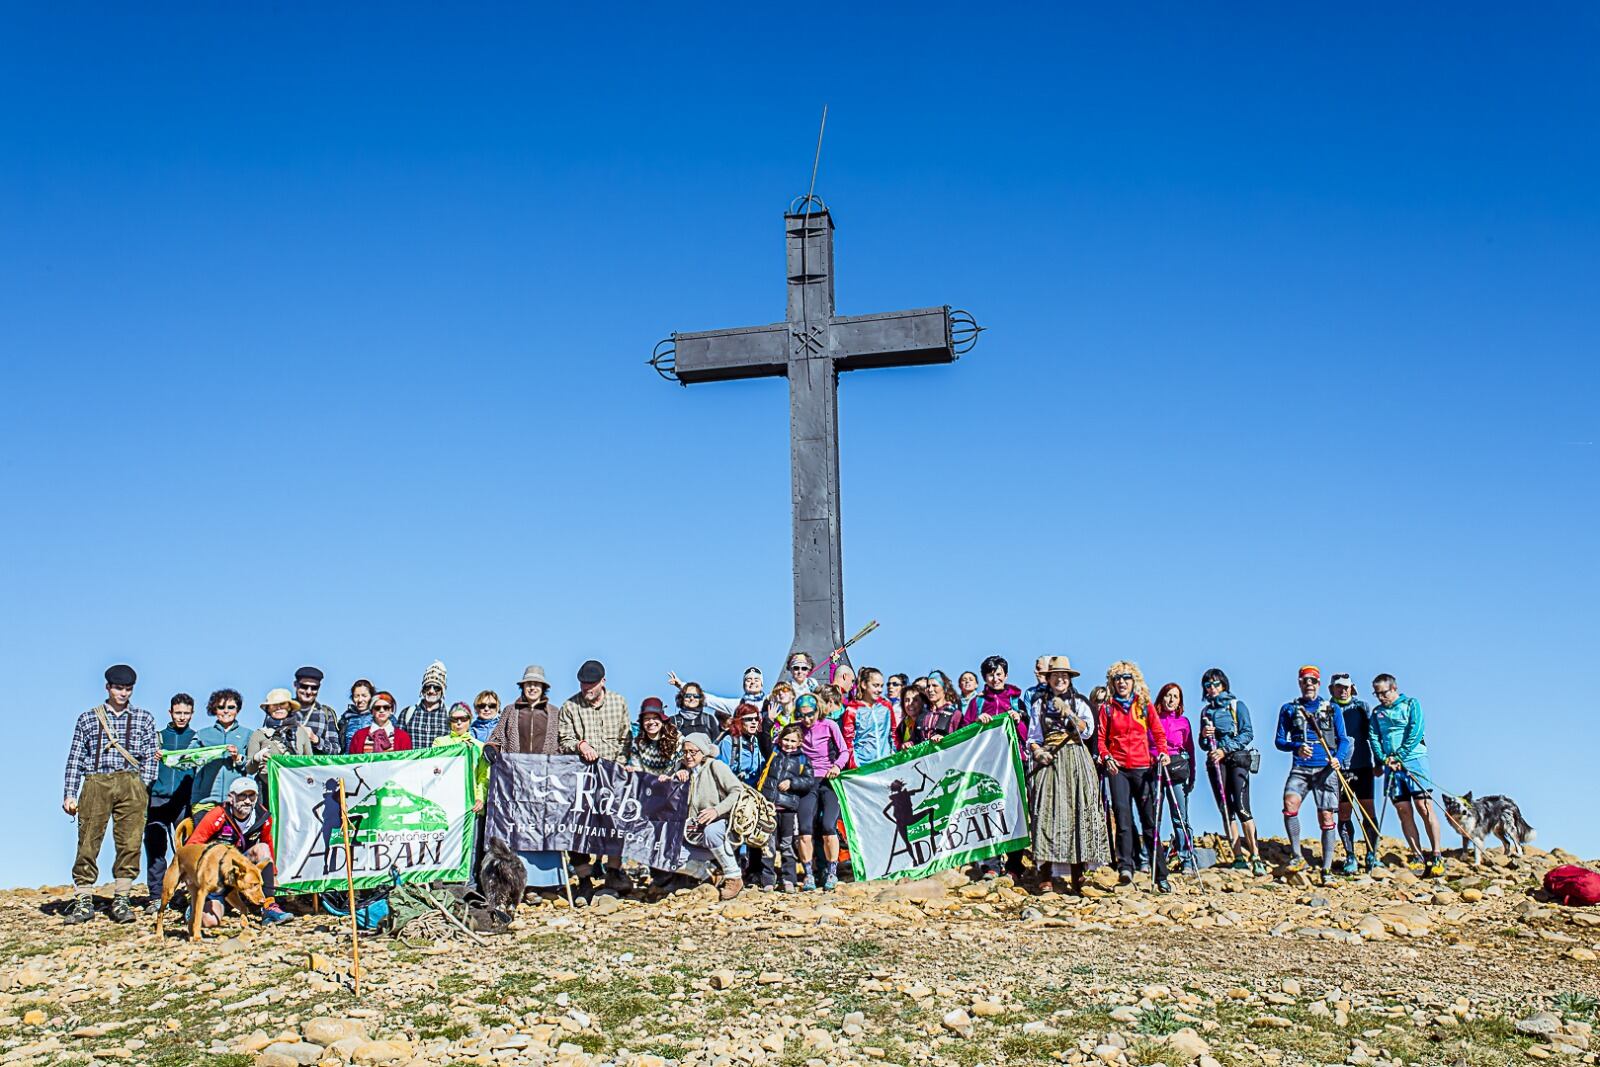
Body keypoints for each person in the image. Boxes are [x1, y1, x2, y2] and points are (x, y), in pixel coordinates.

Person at [62, 664, 160, 924]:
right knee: (88, 840)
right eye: (118, 688)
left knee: (130, 841)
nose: (123, 693)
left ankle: (122, 898)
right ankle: (83, 898)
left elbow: (151, 754)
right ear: (108, 687)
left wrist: (144, 784)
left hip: (131, 781)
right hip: (96, 780)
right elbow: (75, 757)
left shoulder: (144, 717)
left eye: (128, 689)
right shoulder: (88, 718)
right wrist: (70, 793)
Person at [1026, 656, 1108, 894]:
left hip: (1075, 758)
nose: (1060, 679)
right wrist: (1039, 752)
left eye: (1064, 676)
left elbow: (1087, 730)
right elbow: (1033, 737)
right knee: (1047, 813)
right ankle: (1045, 874)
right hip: (1050, 759)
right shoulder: (1039, 704)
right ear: (1049, 679)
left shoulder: (1080, 702)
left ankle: (1078, 874)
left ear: (1069, 679)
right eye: (1055, 675)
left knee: (1077, 812)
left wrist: (1071, 715)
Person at [558, 660, 633, 893]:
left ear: (603, 682)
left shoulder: (619, 702)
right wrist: (580, 744)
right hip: (581, 778)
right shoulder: (570, 706)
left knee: (615, 824)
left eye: (591, 685)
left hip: (613, 775)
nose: (586, 689)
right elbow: (564, 740)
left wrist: (619, 768)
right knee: (578, 827)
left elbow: (625, 739)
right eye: (583, 685)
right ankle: (584, 879)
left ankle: (613, 871)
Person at [1096, 661, 1171, 891]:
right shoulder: (1107, 708)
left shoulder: (1144, 706)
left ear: (1134, 681)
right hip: (1118, 768)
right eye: (1117, 678)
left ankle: (1160, 874)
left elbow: (1158, 734)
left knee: (1149, 822)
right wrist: (1106, 756)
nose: (1122, 682)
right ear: (1112, 682)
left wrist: (1163, 753)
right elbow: (1101, 738)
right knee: (1124, 819)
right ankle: (1126, 867)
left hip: (1142, 768)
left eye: (1126, 678)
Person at [1275, 665, 1351, 883]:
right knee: (1290, 805)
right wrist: (1296, 746)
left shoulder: (1331, 709)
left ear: (1319, 684)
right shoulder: (1289, 709)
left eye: (1313, 681)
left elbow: (1343, 739)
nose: (1309, 684)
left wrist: (1339, 757)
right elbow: (1279, 740)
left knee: (1326, 816)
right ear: (1299, 683)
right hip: (1301, 767)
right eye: (1305, 681)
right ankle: (1297, 855)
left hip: (1326, 769)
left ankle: (1326, 869)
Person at [1368, 674, 1446, 877]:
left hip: (1414, 760)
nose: (1380, 697)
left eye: (1383, 693)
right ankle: (1417, 855)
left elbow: (1416, 730)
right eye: (1376, 694)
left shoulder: (1411, 704)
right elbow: (1374, 737)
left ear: (1394, 688)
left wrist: (1400, 755)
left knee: (1423, 805)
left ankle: (1437, 853)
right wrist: (1383, 759)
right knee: (1403, 809)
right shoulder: (1377, 713)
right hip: (1391, 766)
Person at [188, 776, 292, 924]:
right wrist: (193, 876)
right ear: (231, 797)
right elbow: (193, 845)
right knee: (209, 922)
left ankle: (269, 907)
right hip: (216, 874)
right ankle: (194, 906)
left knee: (262, 848)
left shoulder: (263, 816)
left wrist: (273, 873)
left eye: (252, 796)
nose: (247, 801)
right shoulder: (217, 815)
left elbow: (267, 842)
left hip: (240, 864)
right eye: (242, 795)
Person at [1197, 668, 1265, 874]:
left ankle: (1256, 855)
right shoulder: (1206, 712)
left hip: (1236, 760)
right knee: (1226, 810)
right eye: (1208, 685)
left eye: (1216, 684)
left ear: (1224, 685)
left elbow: (1247, 733)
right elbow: (1202, 744)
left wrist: (1224, 749)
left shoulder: (1237, 706)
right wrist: (1203, 735)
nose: (1212, 688)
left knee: (1243, 808)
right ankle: (1238, 857)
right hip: (1216, 764)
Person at [145, 693, 196, 913]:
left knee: (186, 850)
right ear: (170, 712)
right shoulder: (157, 738)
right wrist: (151, 757)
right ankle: (156, 896)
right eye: (178, 713)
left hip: (184, 802)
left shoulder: (197, 738)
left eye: (186, 713)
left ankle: (188, 895)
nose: (182, 717)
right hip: (157, 799)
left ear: (192, 714)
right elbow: (140, 763)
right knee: (156, 848)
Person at [680, 733, 747, 899]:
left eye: (693, 752)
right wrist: (675, 777)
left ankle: (734, 877)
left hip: (724, 830)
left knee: (712, 831)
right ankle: (707, 875)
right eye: (685, 751)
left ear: (703, 752)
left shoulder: (715, 766)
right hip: (695, 834)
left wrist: (716, 810)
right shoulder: (682, 770)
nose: (688, 756)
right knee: (668, 854)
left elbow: (737, 791)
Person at [796, 691, 849, 890]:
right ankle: (809, 873)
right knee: (805, 829)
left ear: (818, 710)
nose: (807, 719)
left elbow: (844, 751)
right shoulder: (798, 729)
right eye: (802, 715)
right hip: (807, 781)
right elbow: (782, 746)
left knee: (828, 826)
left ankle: (832, 871)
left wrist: (837, 766)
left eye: (810, 714)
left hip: (828, 780)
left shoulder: (830, 725)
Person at [1327, 673, 1378, 873]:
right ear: (1332, 689)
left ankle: (1372, 853)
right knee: (1345, 811)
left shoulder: (1362, 707)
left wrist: (1379, 760)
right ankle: (1350, 855)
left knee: (1368, 809)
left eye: (1346, 687)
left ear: (1352, 687)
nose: (1343, 690)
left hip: (1363, 763)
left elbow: (1372, 734)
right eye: (1339, 687)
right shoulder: (1327, 709)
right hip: (1340, 768)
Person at [757, 722, 815, 892]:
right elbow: (764, 739)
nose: (788, 744)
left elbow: (809, 781)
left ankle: (789, 879)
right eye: (785, 739)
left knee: (787, 845)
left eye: (792, 741)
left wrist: (792, 782)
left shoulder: (803, 759)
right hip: (768, 807)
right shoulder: (773, 753)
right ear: (780, 739)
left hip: (788, 808)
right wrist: (769, 721)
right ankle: (767, 879)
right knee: (767, 844)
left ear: (799, 743)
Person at [188, 688, 250, 819]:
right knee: (202, 840)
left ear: (237, 710)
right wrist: (166, 756)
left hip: (235, 802)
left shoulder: (248, 734)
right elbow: (186, 759)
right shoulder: (202, 734)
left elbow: (252, 766)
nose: (226, 711)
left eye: (231, 707)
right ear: (214, 710)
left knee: (231, 840)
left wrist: (238, 758)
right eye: (221, 707)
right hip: (204, 801)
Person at [1154, 683, 1196, 871]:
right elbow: (1146, 743)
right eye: (1168, 695)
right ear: (1162, 697)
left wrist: (1192, 775)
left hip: (1177, 770)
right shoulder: (1152, 719)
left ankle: (1186, 857)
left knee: (1180, 816)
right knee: (1154, 815)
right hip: (1155, 769)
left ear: (1180, 701)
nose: (1171, 700)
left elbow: (1190, 749)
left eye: (1175, 696)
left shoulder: (1183, 722)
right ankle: (1150, 858)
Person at [245, 688, 316, 792]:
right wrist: (256, 758)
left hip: (296, 790)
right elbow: (249, 770)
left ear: (290, 707)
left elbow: (310, 763)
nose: (278, 708)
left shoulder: (301, 732)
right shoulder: (259, 734)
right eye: (274, 705)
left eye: (283, 704)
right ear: (268, 709)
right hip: (268, 790)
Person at [484, 666, 558, 759]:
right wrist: (491, 748)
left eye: (536, 684)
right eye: (528, 684)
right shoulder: (510, 710)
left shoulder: (555, 713)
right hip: (515, 769)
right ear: (523, 687)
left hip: (546, 769)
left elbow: (563, 742)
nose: (532, 687)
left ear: (543, 687)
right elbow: (497, 738)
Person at [432, 704, 488, 813]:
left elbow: (483, 776)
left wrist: (480, 798)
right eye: (454, 719)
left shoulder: (479, 746)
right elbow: (435, 767)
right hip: (445, 800)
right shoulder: (439, 742)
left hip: (471, 803)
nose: (459, 722)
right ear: (449, 722)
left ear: (469, 721)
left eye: (463, 719)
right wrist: (461, 747)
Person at [841, 667, 897, 769]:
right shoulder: (852, 709)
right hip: (864, 767)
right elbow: (848, 741)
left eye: (881, 686)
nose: (879, 690)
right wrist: (854, 766)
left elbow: (893, 733)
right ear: (864, 685)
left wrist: (895, 757)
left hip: (886, 764)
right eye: (875, 685)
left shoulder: (886, 706)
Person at [672, 666, 765, 720]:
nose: (753, 682)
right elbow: (709, 700)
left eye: (756, 679)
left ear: (761, 684)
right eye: (748, 680)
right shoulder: (737, 705)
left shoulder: (770, 701)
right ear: (743, 685)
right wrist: (681, 685)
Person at [399, 660, 451, 748]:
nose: (431, 691)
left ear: (442, 691)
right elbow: (398, 743)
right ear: (422, 690)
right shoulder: (407, 713)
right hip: (414, 761)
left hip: (439, 761)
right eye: (427, 687)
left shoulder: (450, 714)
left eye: (436, 688)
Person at [292, 666, 341, 755]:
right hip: (284, 767)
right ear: (295, 684)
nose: (308, 691)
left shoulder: (326, 714)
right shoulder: (281, 710)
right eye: (304, 686)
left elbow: (336, 750)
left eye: (314, 688)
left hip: (312, 767)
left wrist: (315, 739)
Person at [629, 699, 682, 776]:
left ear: (662, 720)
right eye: (646, 718)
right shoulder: (637, 743)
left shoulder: (677, 739)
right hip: (647, 785)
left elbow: (681, 765)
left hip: (673, 784)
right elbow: (638, 769)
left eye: (655, 718)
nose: (651, 722)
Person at [718, 704, 768, 786]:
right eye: (749, 719)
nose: (754, 722)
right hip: (734, 789)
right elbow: (722, 772)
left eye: (756, 719)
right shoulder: (729, 741)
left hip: (755, 791)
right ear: (739, 721)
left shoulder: (757, 741)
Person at [915, 671, 965, 744]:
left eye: (935, 685)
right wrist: (909, 743)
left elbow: (963, 738)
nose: (930, 689)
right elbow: (914, 740)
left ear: (944, 688)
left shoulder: (955, 714)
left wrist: (945, 738)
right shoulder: (922, 716)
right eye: (928, 686)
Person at [338, 679, 376, 752]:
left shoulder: (381, 716)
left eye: (364, 696)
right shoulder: (346, 718)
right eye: (356, 696)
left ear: (372, 696)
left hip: (375, 761)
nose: (360, 700)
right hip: (350, 761)